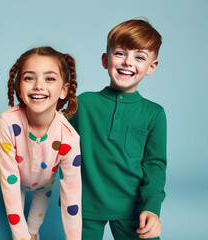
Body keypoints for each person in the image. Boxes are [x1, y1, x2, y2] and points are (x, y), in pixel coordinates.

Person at [70, 18, 166, 239]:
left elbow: (155, 166)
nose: (127, 62)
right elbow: (55, 142)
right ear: (105, 59)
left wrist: (152, 207)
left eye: (139, 57)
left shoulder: (154, 114)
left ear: (151, 66)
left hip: (134, 208)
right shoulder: (83, 104)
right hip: (84, 205)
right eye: (120, 53)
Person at [0, 46, 82, 240]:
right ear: (18, 86)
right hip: (15, 180)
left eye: (50, 78)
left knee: (34, 226)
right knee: (20, 232)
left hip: (45, 183)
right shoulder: (8, 122)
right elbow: (9, 185)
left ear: (64, 90)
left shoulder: (69, 138)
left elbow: (72, 195)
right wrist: (21, 237)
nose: (38, 85)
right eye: (29, 78)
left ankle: (34, 232)